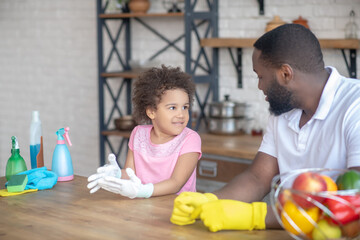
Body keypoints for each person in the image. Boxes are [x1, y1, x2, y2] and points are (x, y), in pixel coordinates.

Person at [170, 24, 360, 232]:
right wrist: (209, 201)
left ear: (285, 74)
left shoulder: (354, 106)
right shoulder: (283, 111)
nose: (259, 86)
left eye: (261, 77)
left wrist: (256, 216)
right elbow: (258, 178)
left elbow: (354, 200)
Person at [87, 65, 202, 198]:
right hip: (142, 206)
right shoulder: (138, 134)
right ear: (151, 112)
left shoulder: (190, 139)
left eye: (185, 107)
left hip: (177, 209)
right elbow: (131, 175)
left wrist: (142, 191)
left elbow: (176, 183)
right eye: (172, 108)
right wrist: (117, 174)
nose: (181, 114)